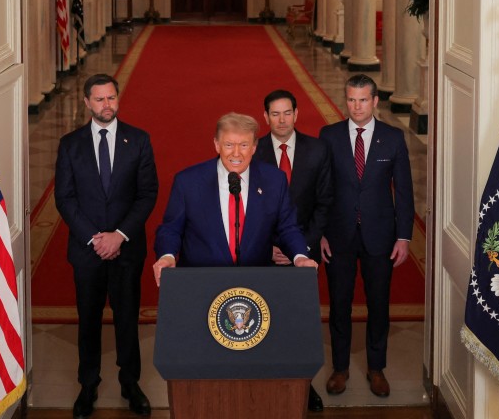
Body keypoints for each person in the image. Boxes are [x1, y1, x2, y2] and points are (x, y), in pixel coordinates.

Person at [54, 74, 159, 419]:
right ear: (86, 103)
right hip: (87, 251)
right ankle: (88, 385)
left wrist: (119, 235)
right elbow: (65, 198)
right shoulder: (70, 144)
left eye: (111, 98)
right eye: (99, 100)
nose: (106, 105)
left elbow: (147, 194)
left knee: (127, 317)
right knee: (89, 319)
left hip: (127, 249)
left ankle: (131, 383)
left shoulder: (139, 140)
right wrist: (95, 238)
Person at [319, 74, 415, 398]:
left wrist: (404, 238)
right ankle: (340, 368)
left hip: (380, 237)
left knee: (378, 304)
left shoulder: (393, 138)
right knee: (340, 305)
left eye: (362, 100)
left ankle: (377, 368)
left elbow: (403, 192)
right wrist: (319, 234)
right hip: (338, 236)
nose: (356, 107)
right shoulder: (329, 136)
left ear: (375, 101)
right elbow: (322, 190)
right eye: (350, 100)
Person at [153, 112, 319, 284]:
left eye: (244, 145)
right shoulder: (188, 181)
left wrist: (300, 257)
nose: (237, 153)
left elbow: (288, 227)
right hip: (200, 282)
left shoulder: (274, 180)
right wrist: (167, 256)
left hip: (256, 283)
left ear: (254, 147)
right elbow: (171, 229)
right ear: (217, 145)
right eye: (229, 145)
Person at [256, 89, 333, 412]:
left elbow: (324, 204)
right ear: (265, 117)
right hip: (264, 253)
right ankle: (264, 380)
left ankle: (304, 384)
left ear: (297, 114)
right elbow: (246, 208)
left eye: (287, 113)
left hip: (303, 254)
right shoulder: (254, 151)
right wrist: (269, 246)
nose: (282, 120)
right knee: (264, 318)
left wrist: (300, 249)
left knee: (299, 320)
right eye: (275, 114)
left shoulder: (317, 151)